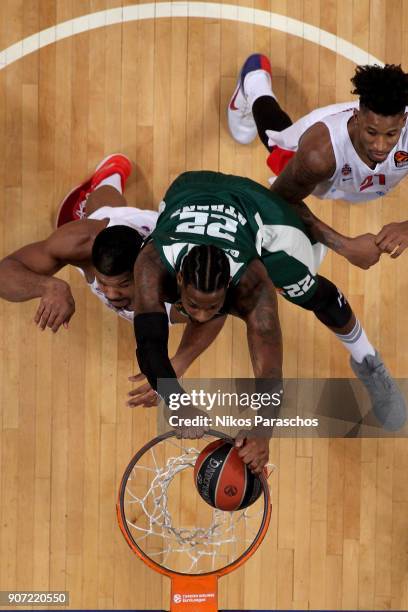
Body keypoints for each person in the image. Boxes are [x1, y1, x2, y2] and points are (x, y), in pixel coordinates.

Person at [132, 170, 406, 477]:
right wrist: (177, 401)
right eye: (194, 304)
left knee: (314, 294)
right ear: (180, 277)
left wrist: (263, 429)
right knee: (164, 308)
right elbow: (149, 344)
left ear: (230, 287)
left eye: (214, 305)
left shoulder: (254, 283)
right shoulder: (152, 262)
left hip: (258, 210)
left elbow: (270, 371)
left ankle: (368, 360)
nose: (201, 315)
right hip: (188, 188)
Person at [0, 155, 226, 405]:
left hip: (161, 236)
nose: (111, 294)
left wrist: (180, 360)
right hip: (112, 224)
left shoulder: (173, 284)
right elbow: (5, 272)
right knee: (104, 209)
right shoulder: (80, 243)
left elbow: (216, 314)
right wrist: (48, 285)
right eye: (104, 282)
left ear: (143, 273)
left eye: (123, 284)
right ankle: (108, 175)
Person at [228, 54, 408, 269]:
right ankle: (254, 84)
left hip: (361, 182)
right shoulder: (318, 153)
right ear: (357, 117)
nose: (380, 146)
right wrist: (344, 245)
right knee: (275, 137)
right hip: (309, 154)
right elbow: (277, 202)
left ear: (403, 121)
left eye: (390, 135)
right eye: (371, 132)